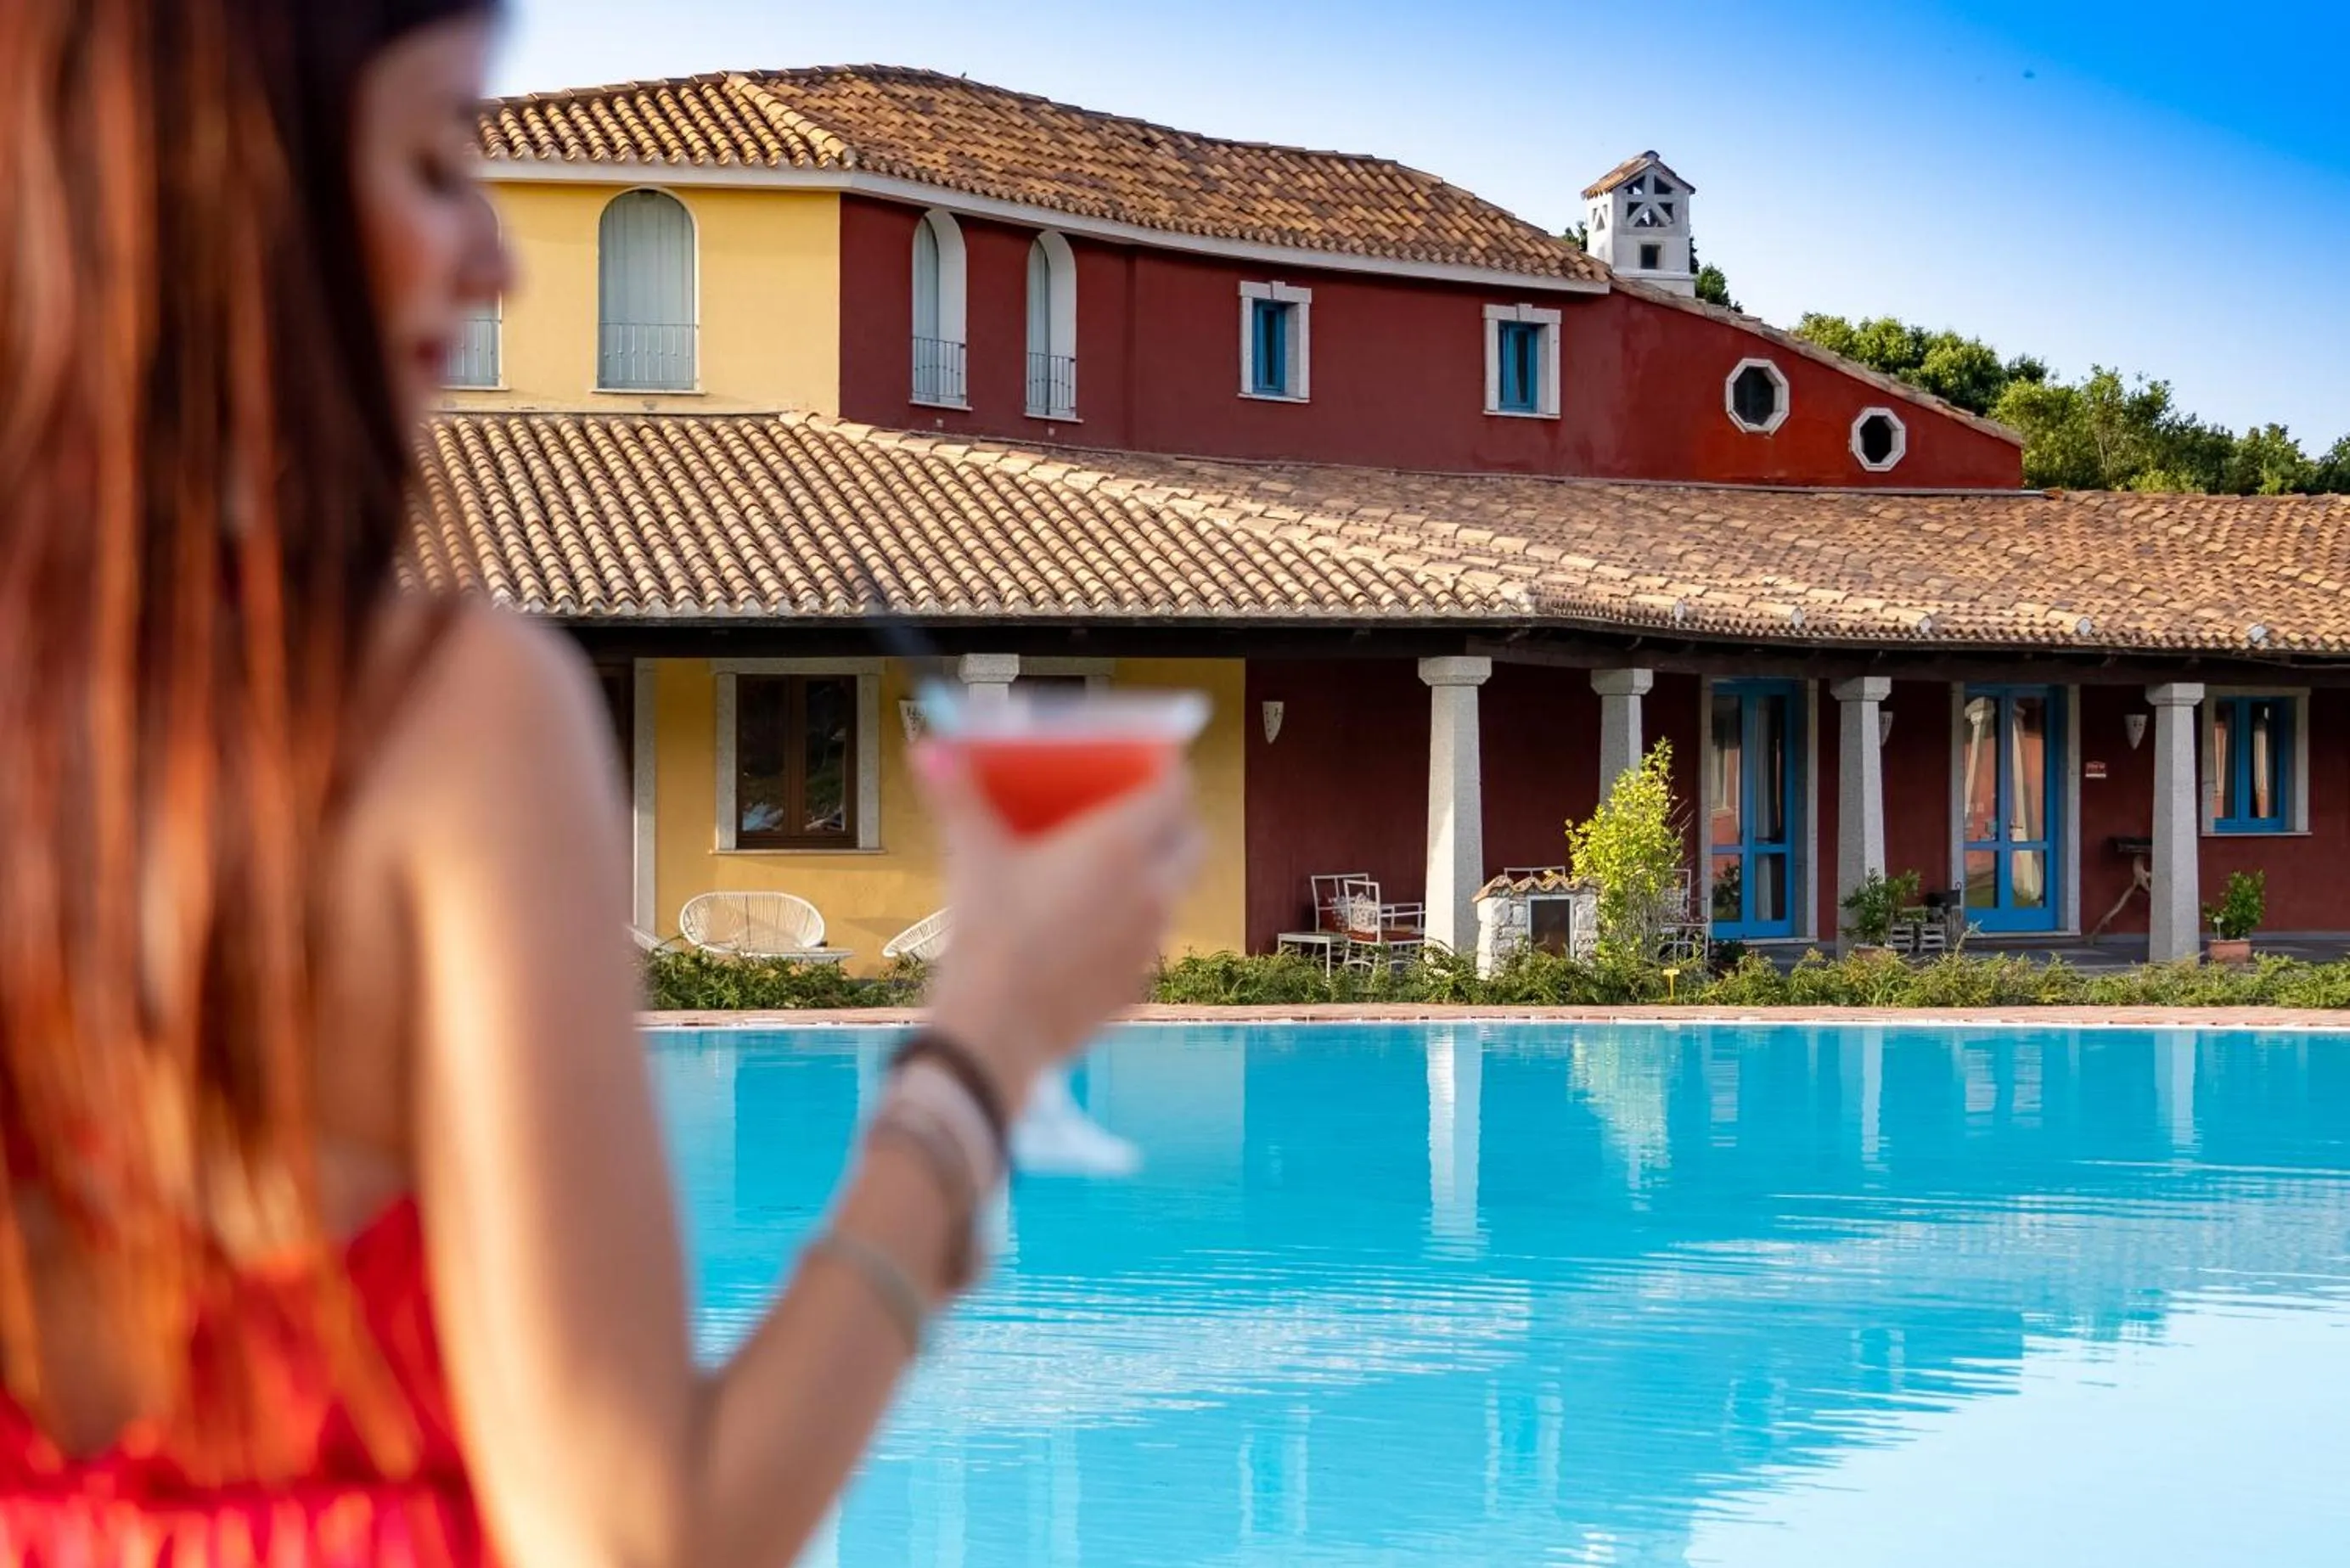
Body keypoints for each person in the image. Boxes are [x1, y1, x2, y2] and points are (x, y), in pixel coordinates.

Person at [0, 3, 1203, 1563]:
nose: (495, 262)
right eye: (438, 161)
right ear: (226, 187)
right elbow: (641, 1537)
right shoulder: (441, 719)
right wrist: (984, 1048)